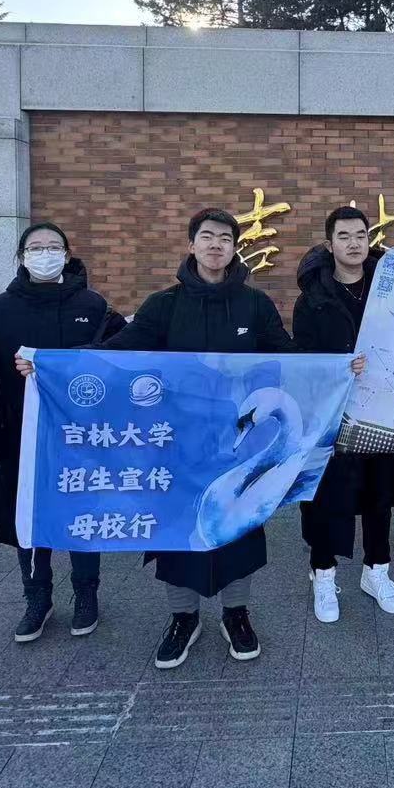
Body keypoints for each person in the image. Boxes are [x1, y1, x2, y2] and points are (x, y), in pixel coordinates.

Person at [103, 208, 299, 669]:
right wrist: (49, 361)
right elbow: (116, 352)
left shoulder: (255, 305)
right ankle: (183, 617)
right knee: (178, 529)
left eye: (225, 238)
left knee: (239, 528)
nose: (216, 244)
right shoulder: (163, 306)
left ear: (234, 248)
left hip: (238, 445)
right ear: (191, 245)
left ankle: (236, 613)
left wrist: (340, 366)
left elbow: (290, 357)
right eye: (207, 236)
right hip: (176, 445)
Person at [0, 221, 126, 644]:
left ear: (67, 254)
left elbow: (118, 357)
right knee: (28, 512)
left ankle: (86, 593)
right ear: (22, 257)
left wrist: (68, 361)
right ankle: (37, 596)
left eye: (53, 247)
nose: (44, 254)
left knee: (83, 510)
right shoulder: (0, 310)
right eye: (35, 247)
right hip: (19, 432)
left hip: (81, 435)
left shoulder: (92, 305)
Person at [292, 206, 394, 622]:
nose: (354, 243)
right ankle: (323, 574)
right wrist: (339, 365)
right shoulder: (313, 299)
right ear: (329, 244)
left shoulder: (390, 290)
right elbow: (303, 361)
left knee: (379, 494)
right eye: (344, 236)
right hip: (331, 416)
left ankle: (377, 571)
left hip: (382, 411)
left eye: (361, 235)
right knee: (326, 497)